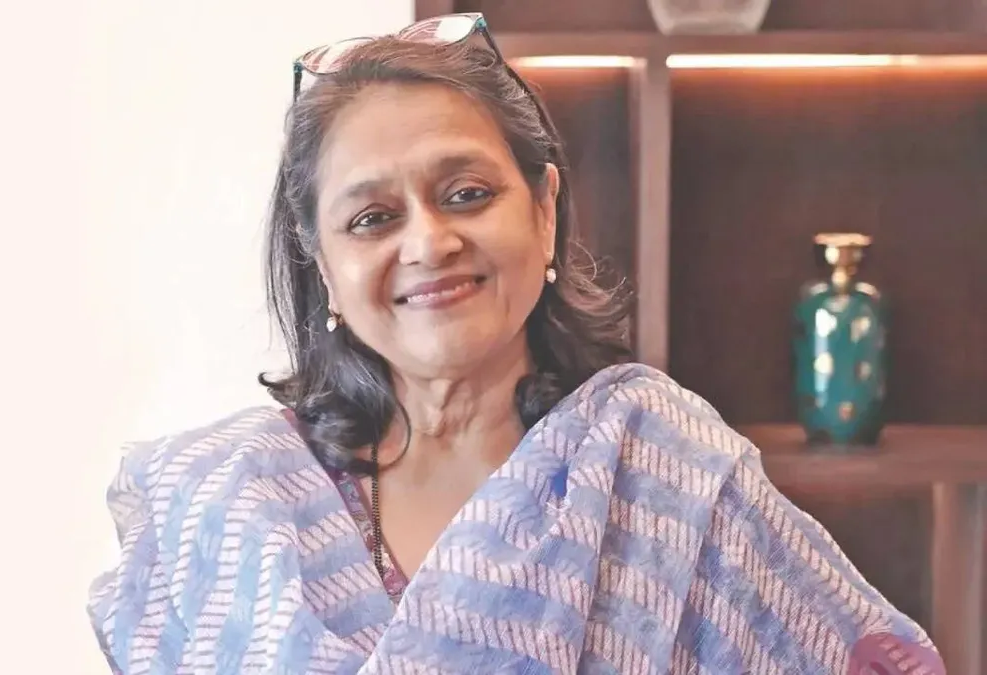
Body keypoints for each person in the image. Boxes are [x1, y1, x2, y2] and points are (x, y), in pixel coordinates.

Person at [88, 13, 944, 674]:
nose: (428, 243)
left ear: (542, 210)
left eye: (465, 193)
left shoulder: (660, 467)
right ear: (323, 265)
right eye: (373, 217)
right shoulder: (230, 501)